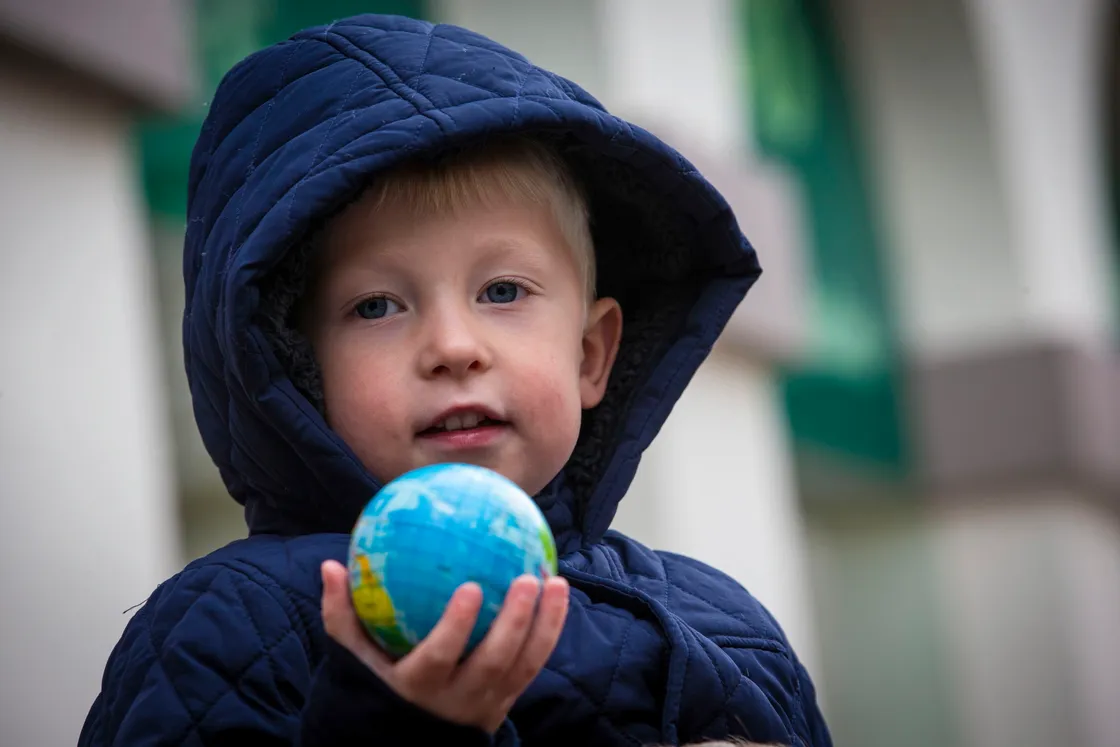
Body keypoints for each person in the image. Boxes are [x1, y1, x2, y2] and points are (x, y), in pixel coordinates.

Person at [79, 13, 830, 747]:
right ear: (293, 367)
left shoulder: (729, 627)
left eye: (502, 291)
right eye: (376, 305)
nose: (452, 346)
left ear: (590, 355)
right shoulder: (233, 625)